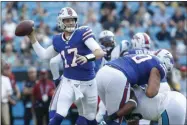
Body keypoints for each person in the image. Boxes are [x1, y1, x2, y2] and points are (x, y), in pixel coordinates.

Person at [27, 7, 105, 125]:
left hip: (89, 83)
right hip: (69, 82)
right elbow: (43, 55)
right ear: (60, 22)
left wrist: (86, 58)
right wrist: (32, 37)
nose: (71, 22)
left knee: (90, 119)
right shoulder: (58, 40)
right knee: (59, 115)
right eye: (67, 20)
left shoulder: (82, 33)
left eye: (72, 19)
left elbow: (99, 52)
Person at [96, 49, 174, 125]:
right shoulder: (159, 65)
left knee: (107, 114)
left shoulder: (141, 56)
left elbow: (132, 103)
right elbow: (151, 93)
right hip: (118, 77)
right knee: (114, 120)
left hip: (102, 72)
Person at [1, 59, 15, 125]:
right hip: (5, 102)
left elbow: (9, 93)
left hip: (4, 103)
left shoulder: (7, 79)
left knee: (6, 122)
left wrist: (11, 100)